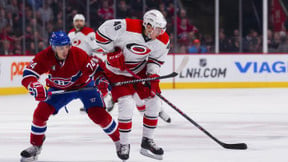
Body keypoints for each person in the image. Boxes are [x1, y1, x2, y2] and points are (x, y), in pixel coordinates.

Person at [20, 31, 120, 162]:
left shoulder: (78, 54)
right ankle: (35, 145)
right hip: (59, 89)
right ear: (53, 47)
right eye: (61, 48)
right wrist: (33, 85)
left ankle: (120, 142)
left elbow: (96, 70)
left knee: (98, 115)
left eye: (67, 46)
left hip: (84, 86)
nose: (65, 50)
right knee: (40, 114)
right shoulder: (45, 56)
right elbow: (28, 74)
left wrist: (102, 80)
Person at [95, 9, 169, 160]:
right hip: (116, 71)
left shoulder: (162, 40)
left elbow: (155, 61)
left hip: (140, 70)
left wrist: (152, 75)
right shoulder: (126, 26)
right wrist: (111, 52)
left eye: (162, 29)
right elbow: (101, 34)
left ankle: (147, 141)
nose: (160, 33)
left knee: (154, 101)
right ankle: (124, 144)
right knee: (126, 103)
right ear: (148, 25)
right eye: (157, 29)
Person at [68, 13, 114, 111]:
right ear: (73, 22)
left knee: (94, 84)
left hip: (87, 62)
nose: (78, 23)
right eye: (76, 21)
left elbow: (96, 47)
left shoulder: (89, 33)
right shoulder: (70, 34)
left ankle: (109, 98)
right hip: (76, 65)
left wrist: (105, 51)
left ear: (84, 22)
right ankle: (89, 103)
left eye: (80, 21)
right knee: (84, 85)